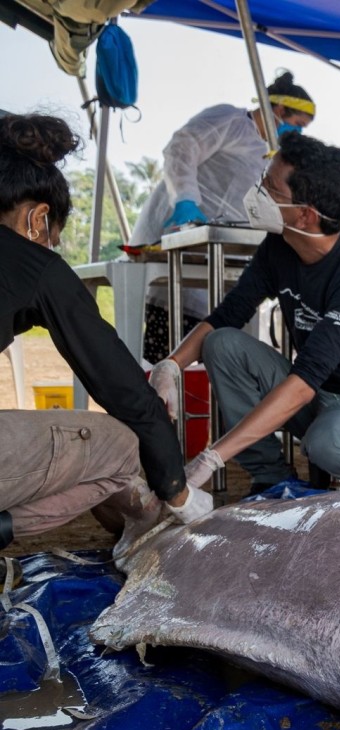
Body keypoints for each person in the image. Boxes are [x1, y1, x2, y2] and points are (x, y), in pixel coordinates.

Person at [151, 133, 340, 494]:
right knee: (222, 344)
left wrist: (212, 457)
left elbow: (304, 382)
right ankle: (272, 478)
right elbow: (228, 314)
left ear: (305, 215)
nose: (257, 192)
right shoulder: (278, 247)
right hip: (318, 392)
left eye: (270, 189)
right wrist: (170, 366)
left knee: (328, 443)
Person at [0, 113, 210, 552]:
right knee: (122, 445)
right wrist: (179, 491)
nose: (51, 247)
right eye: (53, 236)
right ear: (38, 218)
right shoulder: (34, 264)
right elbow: (125, 395)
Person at [131, 71, 317, 363]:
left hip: (216, 249)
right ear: (278, 110)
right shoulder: (231, 121)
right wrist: (186, 200)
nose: (297, 134)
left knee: (208, 344)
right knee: (165, 345)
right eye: (296, 125)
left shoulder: (270, 154)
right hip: (179, 230)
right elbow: (182, 147)